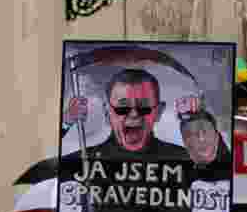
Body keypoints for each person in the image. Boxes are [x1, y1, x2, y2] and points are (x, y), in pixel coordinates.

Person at [61, 69, 191, 161]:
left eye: (143, 106)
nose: (134, 114)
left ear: (158, 112)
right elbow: (42, 169)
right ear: (107, 112)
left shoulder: (184, 160)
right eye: (123, 107)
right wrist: (65, 122)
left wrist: (198, 119)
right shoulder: (81, 162)